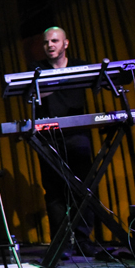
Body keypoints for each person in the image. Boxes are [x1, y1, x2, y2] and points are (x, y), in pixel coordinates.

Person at [34, 26, 98, 256]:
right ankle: (61, 243)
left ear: (65, 43)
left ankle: (83, 240)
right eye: (46, 42)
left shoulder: (80, 65)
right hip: (48, 138)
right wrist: (59, 81)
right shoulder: (37, 69)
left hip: (77, 135)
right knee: (54, 191)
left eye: (54, 41)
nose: (50, 45)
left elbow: (98, 82)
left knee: (83, 187)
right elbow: (34, 92)